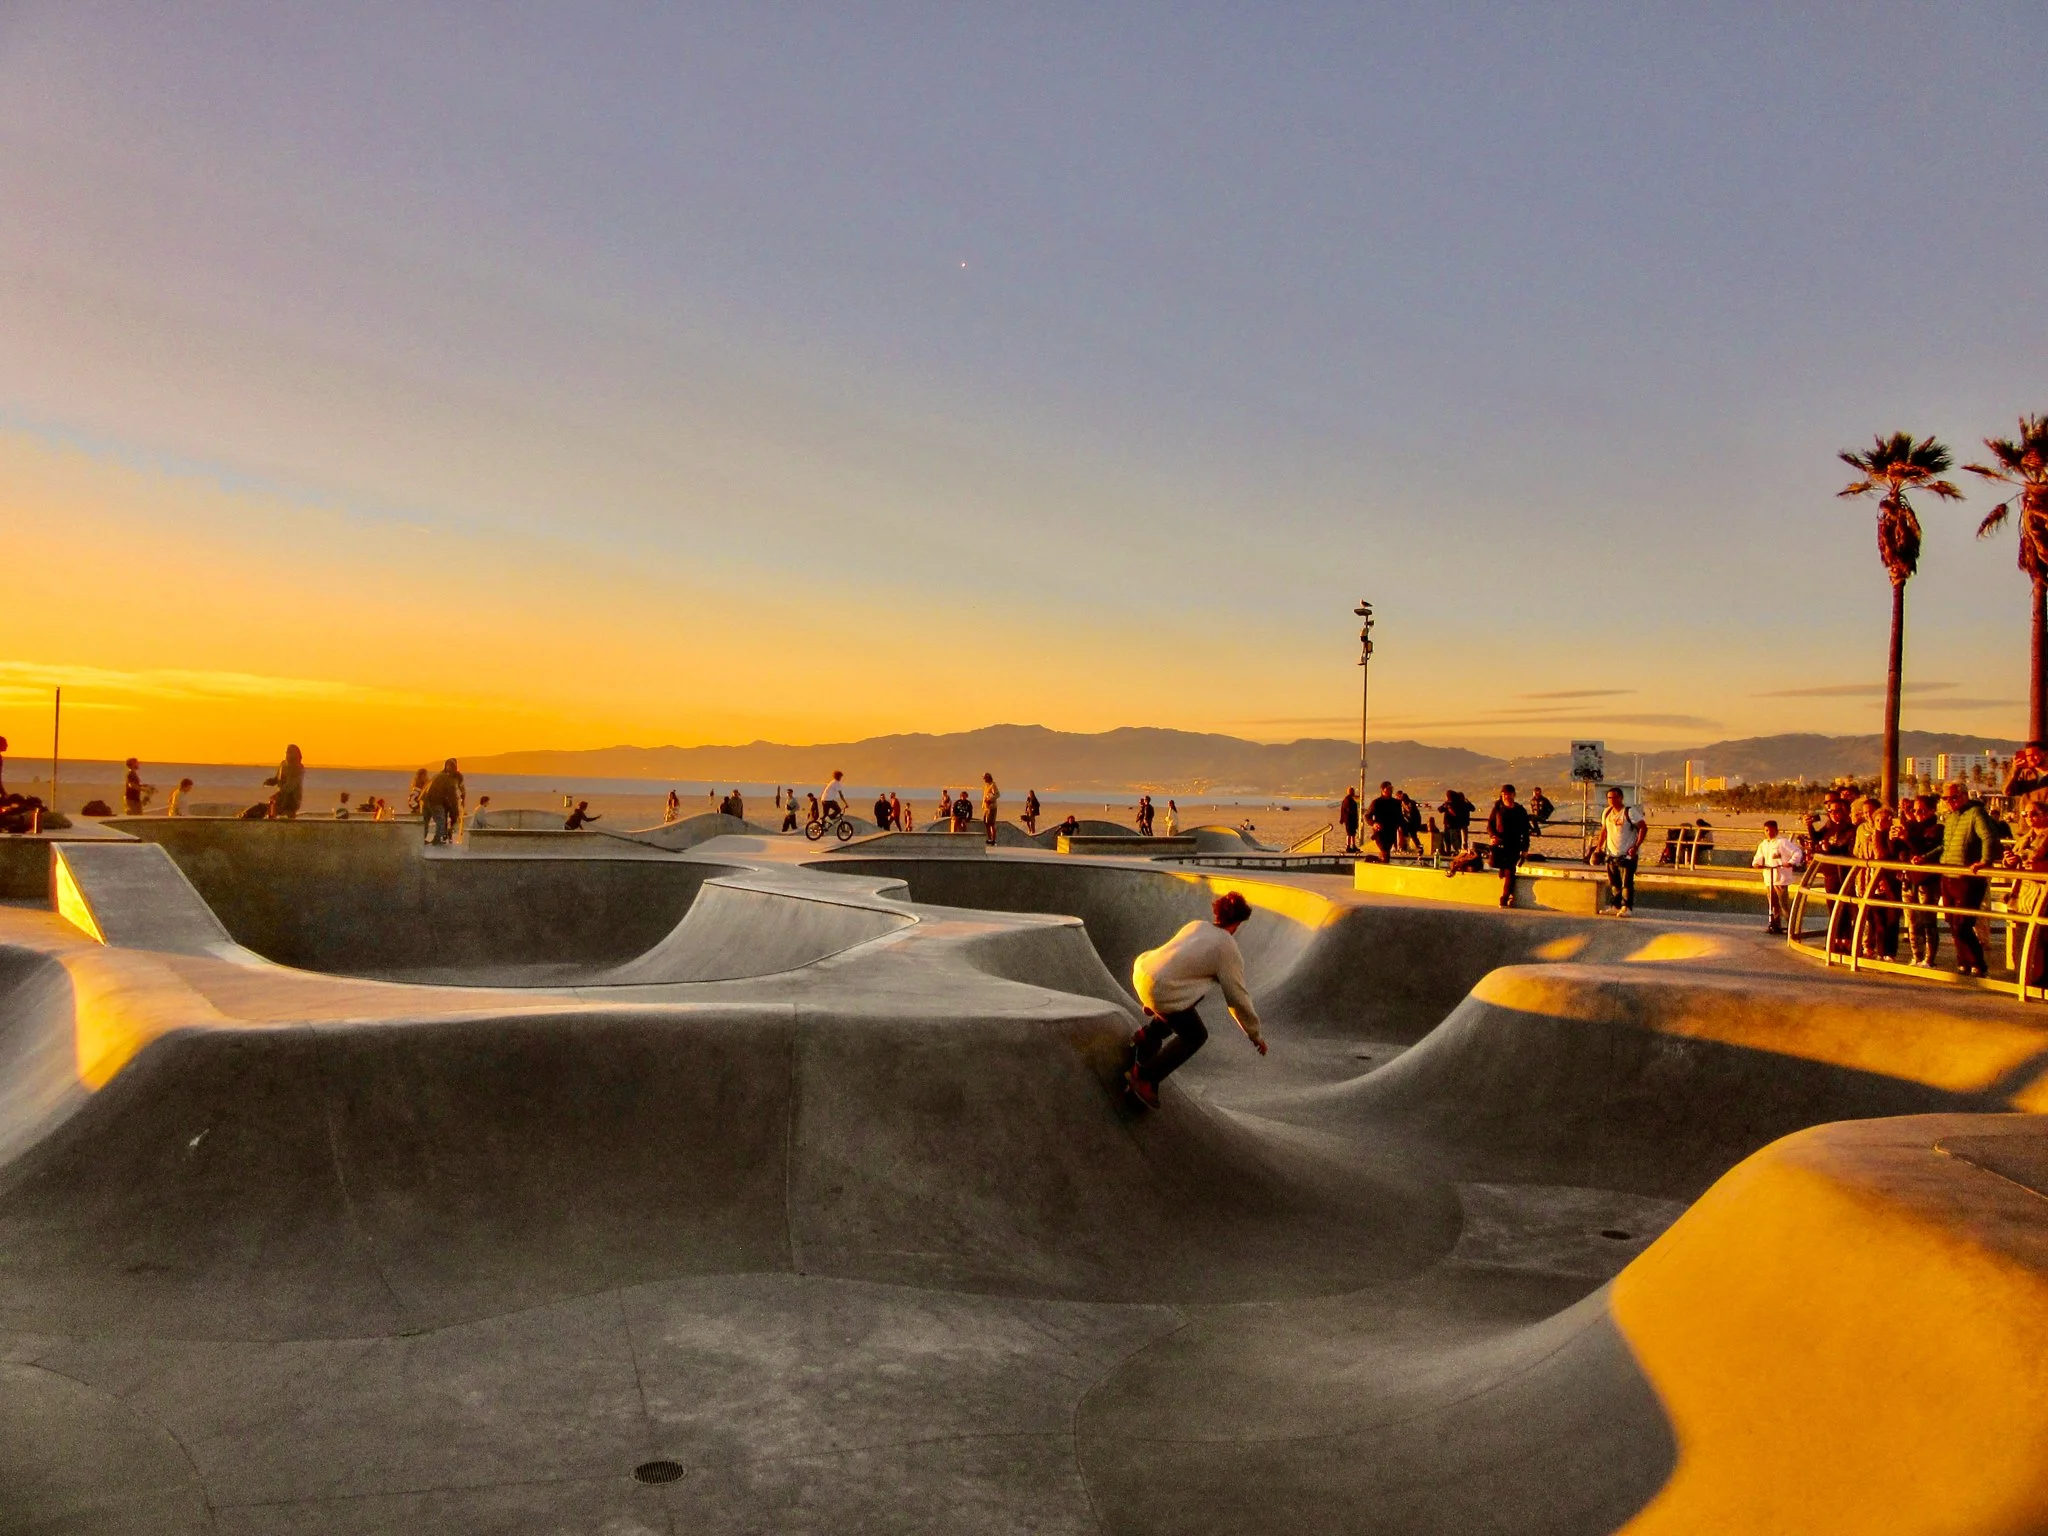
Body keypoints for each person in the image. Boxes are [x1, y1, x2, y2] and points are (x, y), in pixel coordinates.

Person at [1123, 890, 1268, 1109]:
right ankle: (1145, 1078)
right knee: (1195, 1036)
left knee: (1194, 994)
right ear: (1237, 923)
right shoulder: (1226, 947)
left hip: (1143, 972)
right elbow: (1237, 998)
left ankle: (1147, 1036)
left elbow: (1175, 964)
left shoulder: (1196, 925)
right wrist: (1254, 1034)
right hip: (1161, 990)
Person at [1940, 779, 2002, 978]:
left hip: (1967, 877)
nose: (1950, 801)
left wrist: (1984, 861)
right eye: (1946, 798)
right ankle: (1963, 962)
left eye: (1954, 797)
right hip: (1948, 874)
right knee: (1951, 921)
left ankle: (1977, 963)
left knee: (1963, 923)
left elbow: (1989, 837)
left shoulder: (1976, 813)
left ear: (1965, 795)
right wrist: (1925, 858)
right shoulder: (1950, 818)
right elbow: (1945, 845)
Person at [1898, 794, 1945, 966]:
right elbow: (1902, 851)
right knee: (1912, 921)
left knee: (1928, 920)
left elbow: (1925, 849)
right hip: (1909, 879)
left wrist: (1907, 840)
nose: (1917, 814)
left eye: (1922, 810)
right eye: (1914, 810)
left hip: (1928, 880)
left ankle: (1929, 958)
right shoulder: (1910, 827)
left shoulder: (1937, 829)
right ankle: (1916, 955)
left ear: (1932, 811)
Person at [1595, 787, 1648, 916]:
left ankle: (1627, 907)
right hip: (1611, 853)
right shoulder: (1607, 813)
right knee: (1614, 882)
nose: (1611, 800)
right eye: (1609, 798)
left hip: (1627, 854)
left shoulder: (1629, 812)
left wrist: (1635, 846)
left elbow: (1643, 827)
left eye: (1614, 797)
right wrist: (1598, 848)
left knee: (1627, 882)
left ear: (1620, 798)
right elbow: (1604, 831)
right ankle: (1615, 905)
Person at [1751, 819, 1804, 935]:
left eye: (1771, 830)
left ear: (1776, 830)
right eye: (1766, 830)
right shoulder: (1763, 845)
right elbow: (1758, 857)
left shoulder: (1782, 842)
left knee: (1783, 904)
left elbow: (1797, 852)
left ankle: (1792, 927)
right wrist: (1756, 864)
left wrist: (1791, 862)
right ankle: (1775, 924)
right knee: (1772, 904)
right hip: (1769, 878)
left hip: (1781, 878)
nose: (1769, 832)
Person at [1486, 784, 1531, 908]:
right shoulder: (1498, 808)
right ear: (1502, 795)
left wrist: (1525, 849)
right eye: (1505, 794)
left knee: (1510, 871)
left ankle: (1504, 898)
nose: (1507, 796)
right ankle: (1503, 870)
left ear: (1514, 795)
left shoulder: (1520, 810)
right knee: (1492, 862)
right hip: (1499, 844)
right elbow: (1490, 825)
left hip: (1514, 844)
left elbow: (1525, 832)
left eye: (1509, 794)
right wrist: (1493, 836)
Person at [422, 759, 465, 845]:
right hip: (434, 800)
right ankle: (438, 840)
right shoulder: (451, 781)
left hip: (425, 798)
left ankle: (421, 838)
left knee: (425, 821)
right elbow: (453, 800)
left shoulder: (440, 775)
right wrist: (455, 812)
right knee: (441, 820)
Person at [264, 745, 305, 820]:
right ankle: (272, 820)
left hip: (293, 798)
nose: (288, 754)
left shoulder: (299, 768)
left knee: (282, 806)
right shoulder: (283, 764)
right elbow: (277, 778)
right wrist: (271, 781)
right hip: (282, 795)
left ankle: (290, 822)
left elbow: (291, 786)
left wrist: (280, 794)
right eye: (287, 752)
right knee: (272, 805)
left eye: (291, 752)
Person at [1365, 781, 1402, 863]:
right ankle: (1377, 862)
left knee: (1386, 853)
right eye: (1388, 788)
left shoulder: (1396, 803)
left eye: (1391, 788)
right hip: (1380, 832)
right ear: (1383, 789)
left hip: (1391, 832)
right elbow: (1367, 816)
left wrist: (1402, 831)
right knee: (1384, 851)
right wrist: (1373, 823)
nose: (1391, 790)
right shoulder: (1376, 802)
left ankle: (1373, 860)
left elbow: (1400, 818)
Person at [1436, 789, 1473, 856]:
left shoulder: (1458, 804)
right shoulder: (1449, 804)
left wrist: (1448, 807)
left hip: (1455, 825)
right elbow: (1440, 809)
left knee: (1456, 841)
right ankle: (1451, 852)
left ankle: (1459, 853)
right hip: (1450, 825)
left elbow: (1456, 813)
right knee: (1448, 840)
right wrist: (1446, 805)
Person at [1338, 787, 1360, 854]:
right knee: (1350, 833)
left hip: (1350, 819)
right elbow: (1347, 811)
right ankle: (1348, 847)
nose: (1353, 792)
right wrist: (1343, 819)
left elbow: (1343, 810)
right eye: (1352, 791)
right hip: (1349, 820)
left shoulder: (1348, 800)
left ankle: (1353, 846)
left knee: (1352, 833)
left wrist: (1342, 819)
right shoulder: (1348, 800)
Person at [981, 773, 1001, 846]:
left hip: (992, 807)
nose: (984, 779)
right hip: (986, 808)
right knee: (986, 823)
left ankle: (993, 840)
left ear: (988, 778)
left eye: (985, 778)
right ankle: (989, 838)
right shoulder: (986, 786)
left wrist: (990, 800)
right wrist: (983, 805)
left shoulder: (993, 785)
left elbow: (998, 794)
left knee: (991, 823)